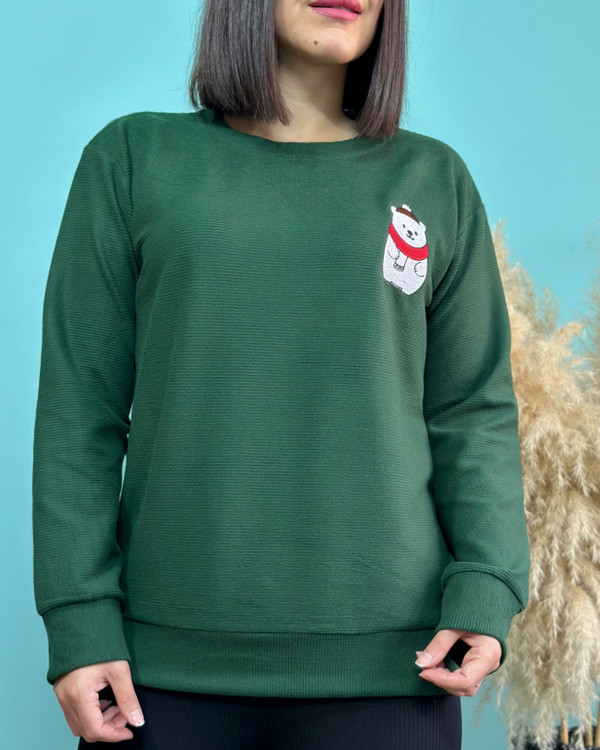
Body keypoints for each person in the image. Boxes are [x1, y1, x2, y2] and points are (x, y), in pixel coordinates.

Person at [31, 0, 531, 747]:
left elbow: (471, 410)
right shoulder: (132, 159)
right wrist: (78, 618)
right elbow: (80, 412)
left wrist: (488, 585)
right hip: (155, 674)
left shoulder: (433, 179)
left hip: (397, 669)